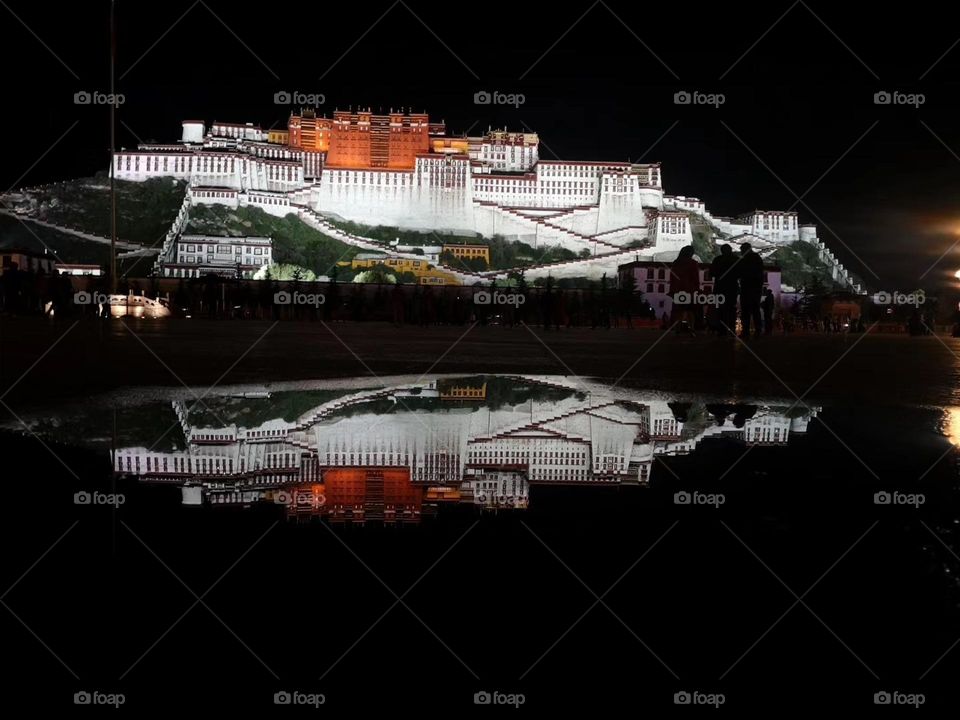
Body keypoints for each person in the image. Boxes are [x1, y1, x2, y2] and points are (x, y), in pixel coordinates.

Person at [670, 245, 701, 336]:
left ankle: (677, 329)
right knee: (690, 311)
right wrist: (697, 289)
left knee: (679, 310)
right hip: (689, 290)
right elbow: (695, 278)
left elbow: (672, 277)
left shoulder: (676, 263)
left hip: (678, 289)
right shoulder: (692, 263)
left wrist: (672, 289)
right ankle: (691, 329)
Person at [709, 244, 738, 336]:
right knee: (731, 308)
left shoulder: (717, 260)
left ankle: (721, 329)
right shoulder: (735, 260)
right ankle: (732, 327)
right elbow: (740, 273)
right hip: (732, 287)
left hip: (719, 287)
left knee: (720, 309)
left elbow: (711, 273)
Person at [737, 242, 764, 340]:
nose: (741, 252)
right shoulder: (757, 258)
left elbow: (740, 273)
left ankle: (746, 332)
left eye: (742, 250)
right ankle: (757, 331)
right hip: (755, 288)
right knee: (755, 310)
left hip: (747, 288)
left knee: (746, 311)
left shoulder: (745, 260)